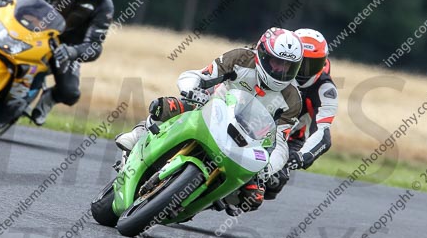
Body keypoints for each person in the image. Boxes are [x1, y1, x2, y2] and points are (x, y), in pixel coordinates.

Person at [115, 27, 304, 214]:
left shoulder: (292, 98)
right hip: (212, 110)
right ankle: (139, 135)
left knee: (254, 196)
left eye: (288, 66)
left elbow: (280, 141)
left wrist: (268, 168)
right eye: (276, 62)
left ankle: (201, 203)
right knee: (168, 106)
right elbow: (198, 75)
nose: (281, 70)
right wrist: (191, 89)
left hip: (248, 142)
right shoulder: (241, 59)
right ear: (262, 54)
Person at [264, 28, 338, 200]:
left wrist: (302, 156)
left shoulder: (326, 89)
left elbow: (323, 132)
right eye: (301, 62)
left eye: (312, 65)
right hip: (252, 124)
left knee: (275, 181)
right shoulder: (272, 66)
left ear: (323, 62)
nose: (304, 70)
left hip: (289, 139)